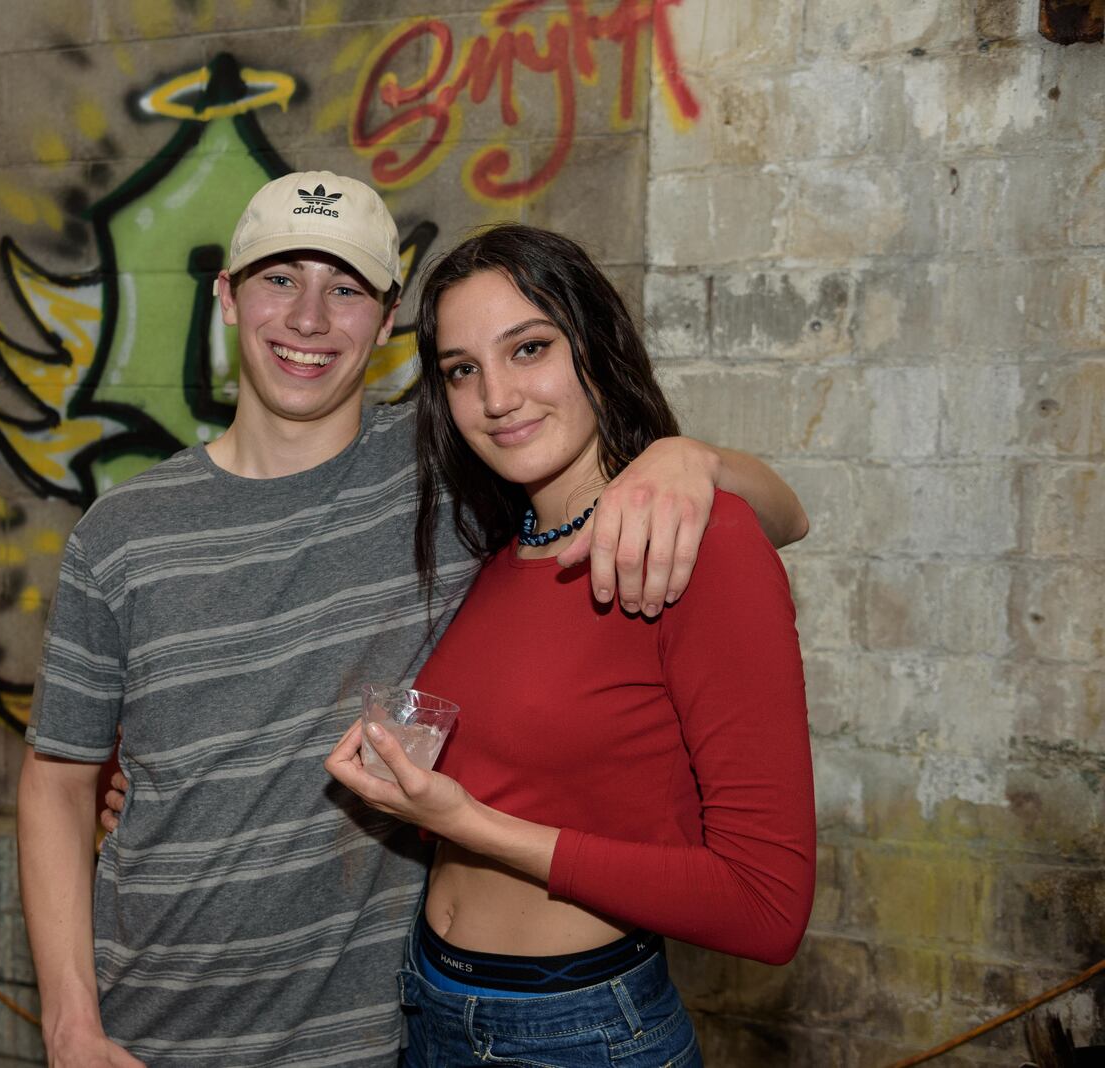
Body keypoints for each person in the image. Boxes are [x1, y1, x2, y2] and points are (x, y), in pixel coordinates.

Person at [19, 173, 808, 1068]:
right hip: (152, 1025)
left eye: (345, 288)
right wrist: (69, 1024)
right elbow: (57, 778)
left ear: (387, 316)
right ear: (226, 296)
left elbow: (771, 519)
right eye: (280, 278)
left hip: (373, 1032)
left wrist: (685, 457)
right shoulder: (120, 531)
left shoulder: (452, 473)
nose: (310, 318)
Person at [324, 224, 816, 1067]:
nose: (497, 398)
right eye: (462, 370)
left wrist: (470, 824)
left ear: (594, 343)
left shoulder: (702, 544)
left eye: (530, 348)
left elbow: (766, 908)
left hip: (578, 1032)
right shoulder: (497, 549)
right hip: (428, 1003)